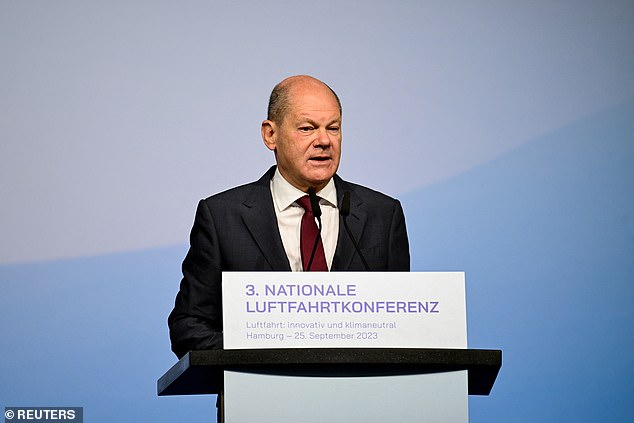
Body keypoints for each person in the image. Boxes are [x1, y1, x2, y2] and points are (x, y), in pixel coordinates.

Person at [168, 75, 410, 358]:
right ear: (271, 135)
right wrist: (263, 354)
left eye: (333, 128)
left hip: (361, 396)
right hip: (261, 396)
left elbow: (401, 325)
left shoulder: (382, 214)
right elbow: (188, 326)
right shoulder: (223, 217)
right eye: (307, 128)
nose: (324, 141)